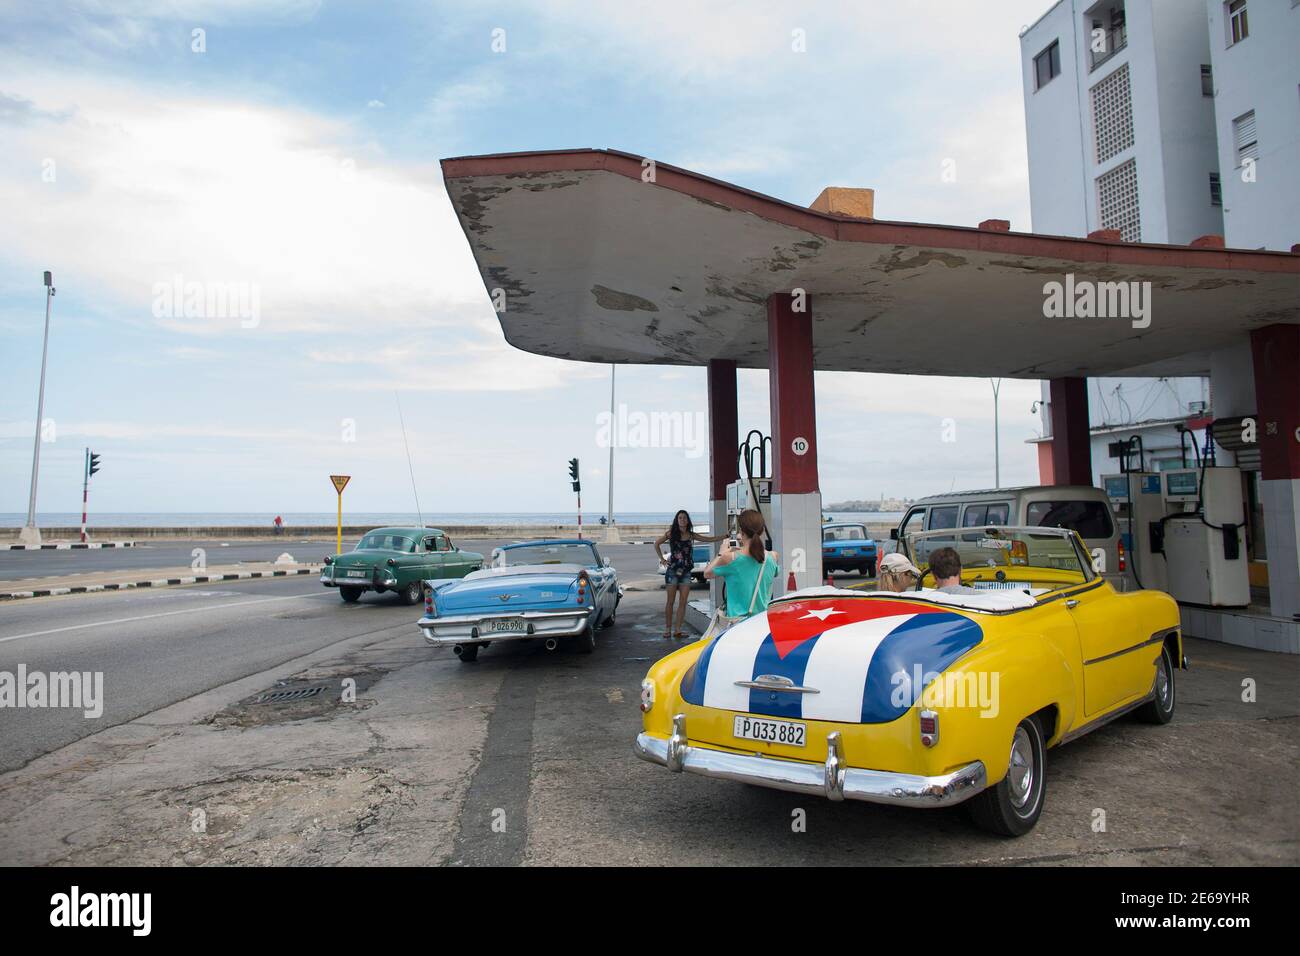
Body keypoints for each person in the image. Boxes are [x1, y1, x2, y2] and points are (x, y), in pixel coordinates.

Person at [654, 510, 726, 639]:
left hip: (686, 572)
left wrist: (724, 537)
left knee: (683, 601)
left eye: (684, 518)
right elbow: (656, 543)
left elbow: (709, 539)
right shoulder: (671, 534)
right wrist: (662, 559)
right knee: (670, 602)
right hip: (672, 571)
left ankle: (677, 630)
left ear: (688, 521)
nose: (682, 520)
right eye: (680, 518)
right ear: (677, 520)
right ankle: (667, 629)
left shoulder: (691, 535)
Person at [704, 508, 779, 624]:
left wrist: (721, 554)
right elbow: (773, 572)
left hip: (737, 626)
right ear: (762, 531)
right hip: (763, 623)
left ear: (741, 532)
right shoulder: (773, 557)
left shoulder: (730, 558)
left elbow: (707, 573)